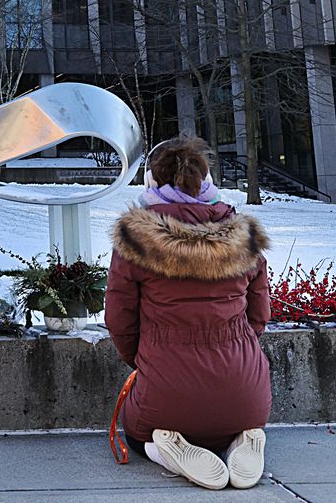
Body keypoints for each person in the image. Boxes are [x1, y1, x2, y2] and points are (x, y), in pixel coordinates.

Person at [106, 136, 273, 491]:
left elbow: (119, 319)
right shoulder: (243, 236)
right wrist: (238, 347)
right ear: (208, 181)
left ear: (152, 182)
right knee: (231, 416)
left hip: (165, 397)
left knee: (136, 434)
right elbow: (259, 314)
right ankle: (242, 439)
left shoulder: (136, 239)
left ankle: (166, 451)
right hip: (246, 395)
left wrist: (144, 360)